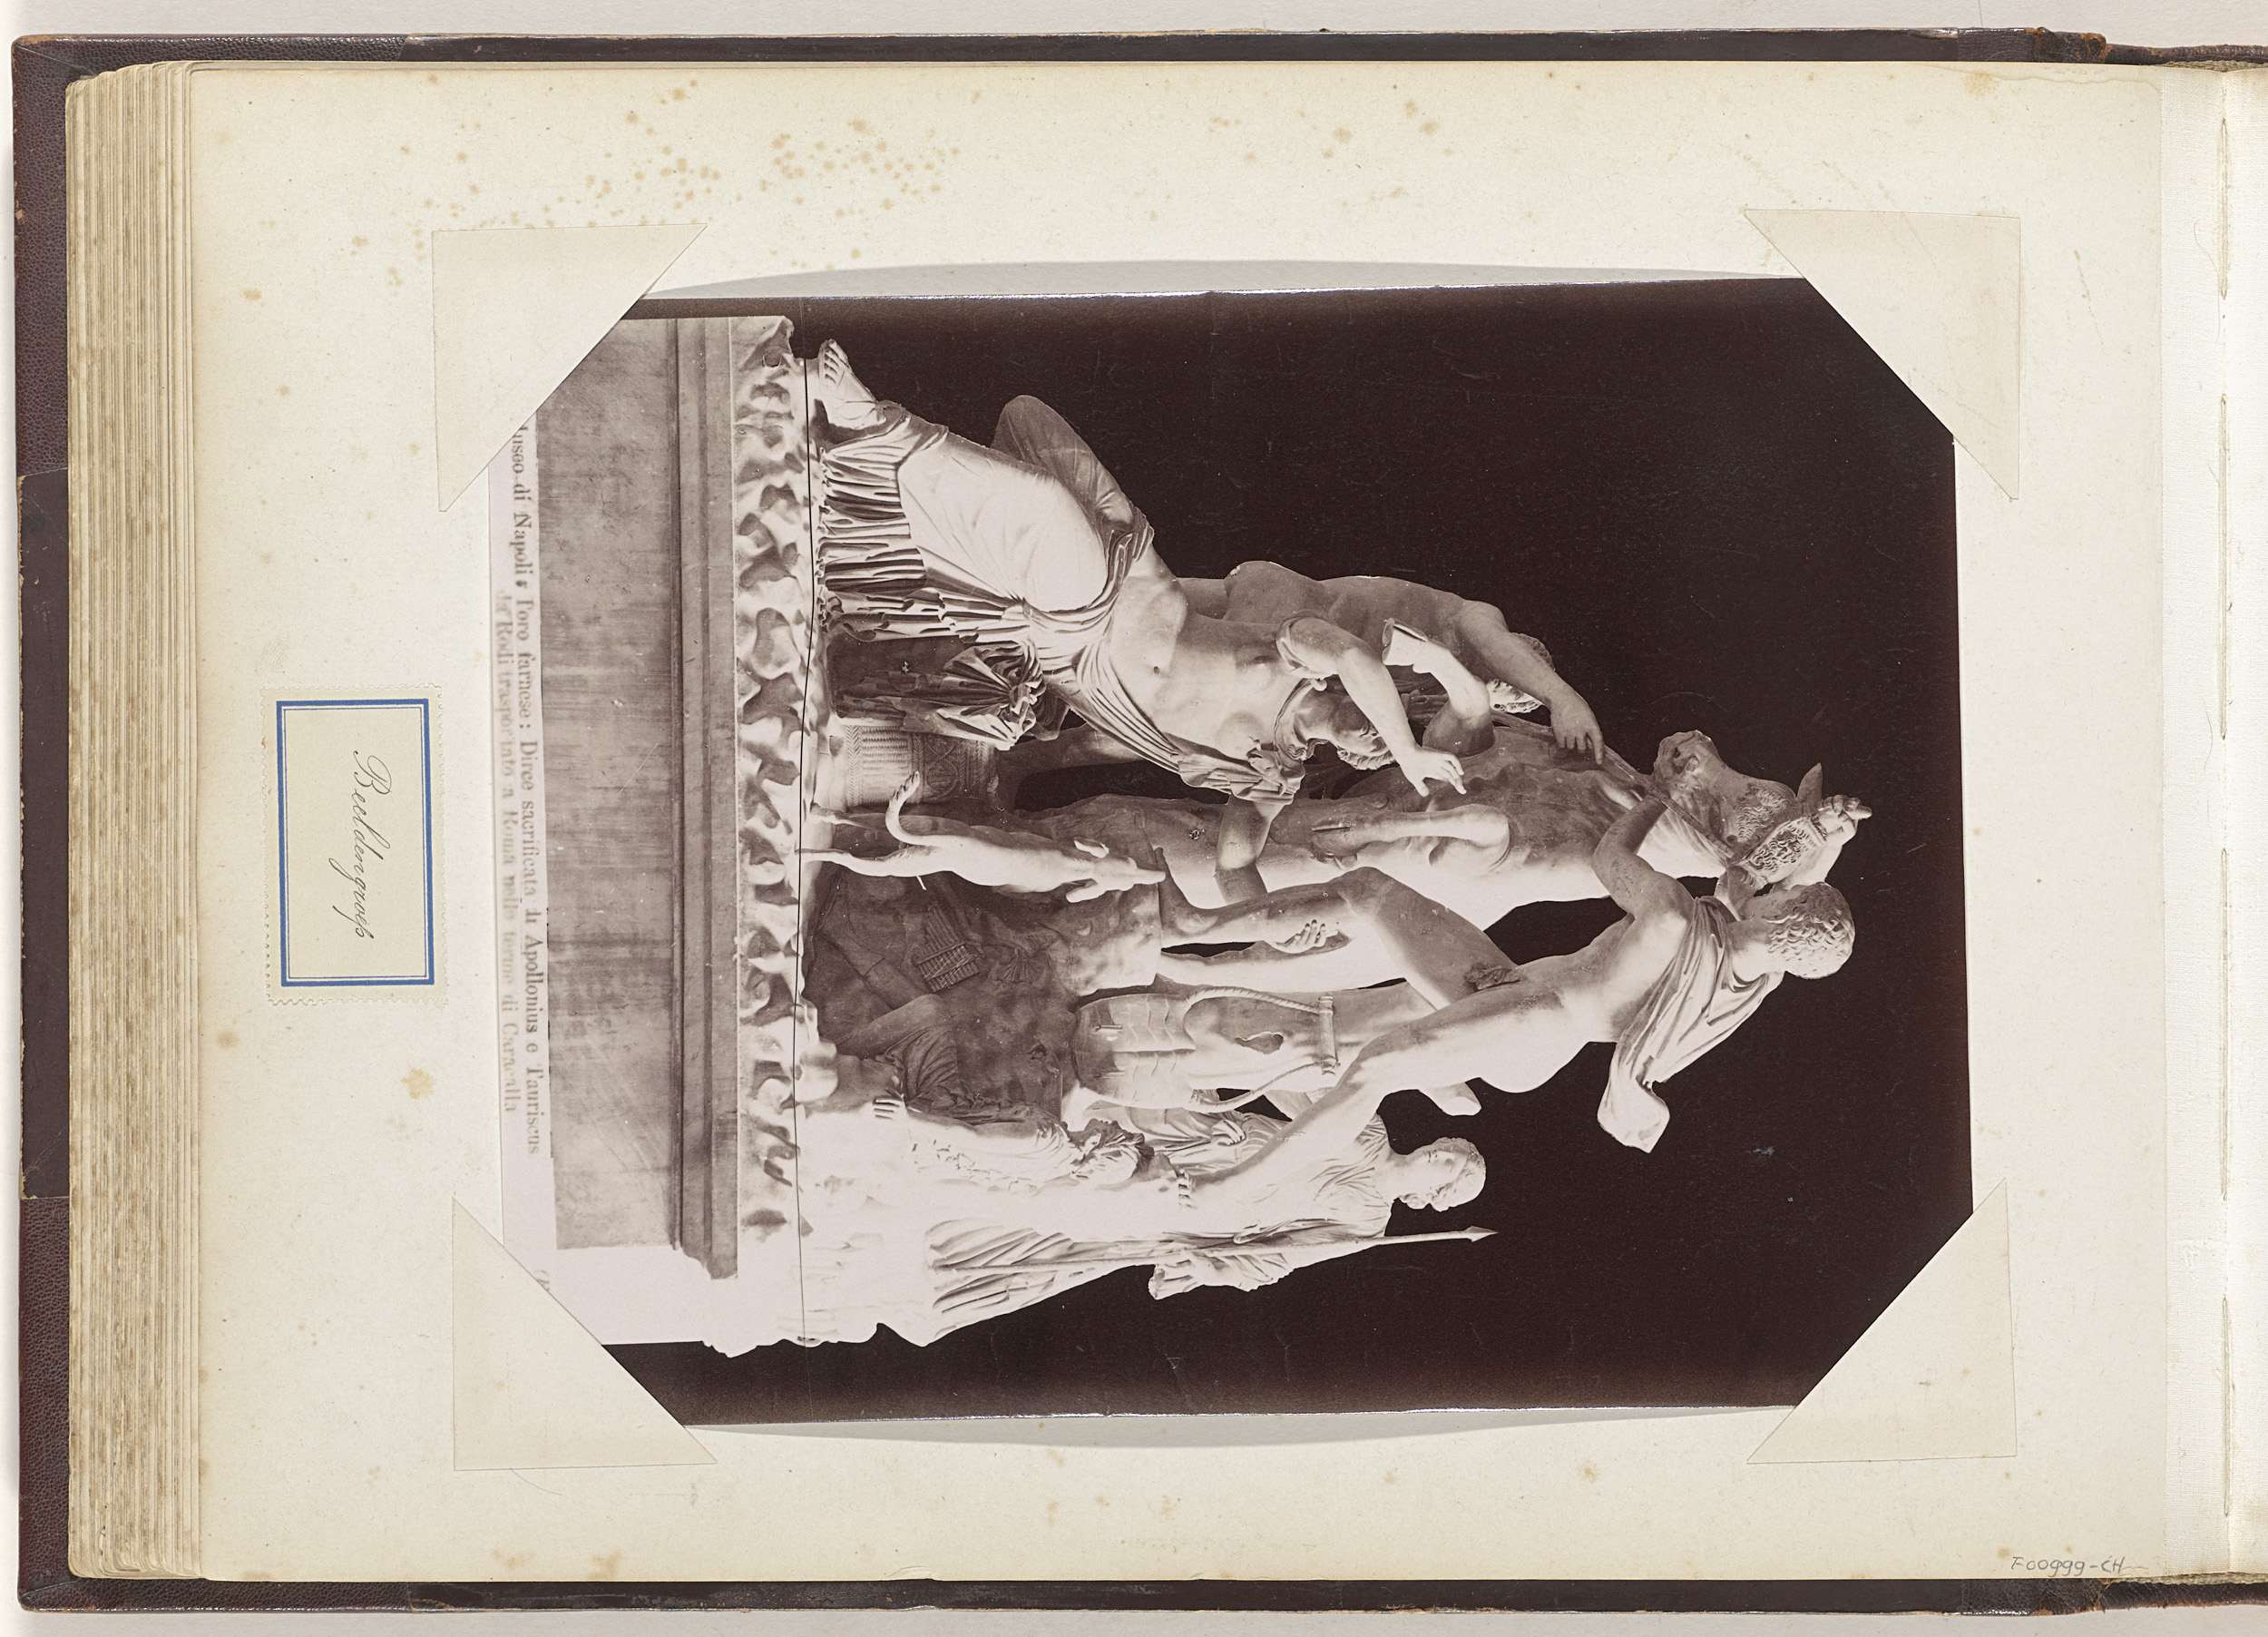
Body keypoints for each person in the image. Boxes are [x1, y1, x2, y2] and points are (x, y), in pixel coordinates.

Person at [807, 341, 1464, 898]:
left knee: (1040, 504)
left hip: (1083, 633)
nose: (1379, 741)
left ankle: (869, 426)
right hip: (1130, 560)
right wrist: (1411, 749)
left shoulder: (1268, 777)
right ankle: (924, 521)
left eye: (1378, 752)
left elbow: (1235, 867)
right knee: (1025, 417)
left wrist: (1269, 928)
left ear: (1349, 759)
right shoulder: (1303, 652)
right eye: (1385, 728)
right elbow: (1356, 658)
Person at [1179, 802, 1853, 1154]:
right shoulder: (1750, 981)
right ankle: (1202, 927)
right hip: (1516, 991)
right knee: (1368, 889)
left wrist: (1655, 803)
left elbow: (1609, 854)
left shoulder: (1678, 919)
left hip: (1536, 1023)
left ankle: (1250, 1184)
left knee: (1375, 1069)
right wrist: (1829, 837)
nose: (1777, 890)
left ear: (1783, 912)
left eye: (1787, 895)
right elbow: (1765, 898)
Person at [1178, 559, 1606, 760]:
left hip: (1290, 642)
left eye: (1506, 699)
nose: (1499, 688)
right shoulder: (1471, 618)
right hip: (1285, 610)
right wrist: (1562, 700)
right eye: (1512, 684)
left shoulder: (1429, 685)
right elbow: (1499, 648)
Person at [810, 775, 1164, 904]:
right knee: (905, 844)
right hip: (991, 860)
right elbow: (1071, 895)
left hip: (989, 852)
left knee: (911, 830)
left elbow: (1078, 846)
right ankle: (830, 846)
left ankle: (832, 825)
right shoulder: (1081, 880)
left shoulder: (1086, 853)